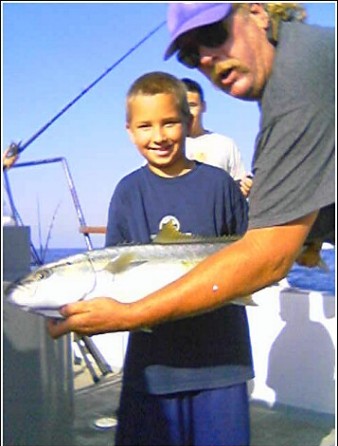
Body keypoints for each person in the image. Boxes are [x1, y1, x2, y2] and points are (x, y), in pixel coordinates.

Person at [48, 3, 334, 359]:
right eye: (190, 54)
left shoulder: (296, 84)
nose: (207, 58)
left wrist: (130, 314)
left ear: (259, 13)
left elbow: (268, 256)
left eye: (214, 34)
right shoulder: (300, 65)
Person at [82, 71, 254, 446]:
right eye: (144, 126)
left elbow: (248, 259)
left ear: (188, 122)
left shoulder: (220, 185)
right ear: (129, 131)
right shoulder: (127, 193)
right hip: (152, 368)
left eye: (169, 123)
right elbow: (115, 273)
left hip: (221, 363)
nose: (158, 136)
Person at [182, 77, 253, 197]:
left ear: (203, 106)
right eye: (182, 107)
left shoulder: (224, 144)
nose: (188, 112)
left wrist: (246, 188)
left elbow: (239, 189)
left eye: (192, 105)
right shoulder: (165, 147)